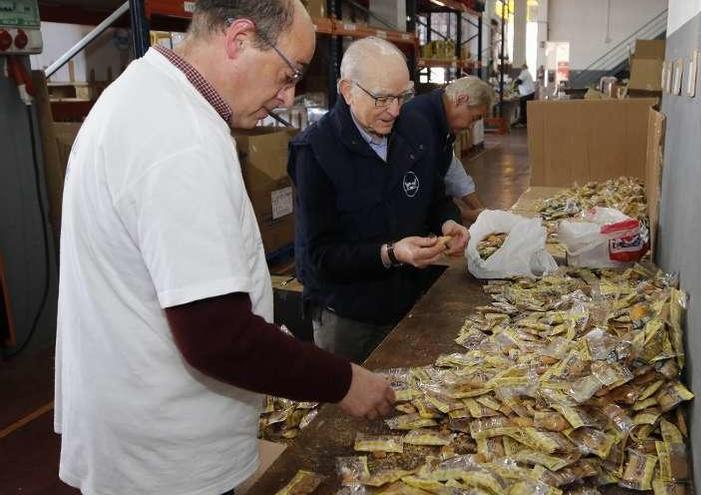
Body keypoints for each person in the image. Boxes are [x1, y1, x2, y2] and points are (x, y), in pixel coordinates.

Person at [54, 2, 395, 494]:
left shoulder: (141, 91)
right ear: (238, 38)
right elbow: (216, 336)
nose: (286, 96)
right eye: (287, 73)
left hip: (134, 425)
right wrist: (343, 381)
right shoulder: (181, 139)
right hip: (166, 460)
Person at [290, 37, 470, 363]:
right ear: (347, 91)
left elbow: (432, 194)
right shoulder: (316, 152)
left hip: (407, 301)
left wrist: (448, 220)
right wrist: (390, 253)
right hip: (347, 316)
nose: (395, 110)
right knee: (348, 408)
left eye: (403, 96)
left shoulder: (412, 131)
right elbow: (319, 256)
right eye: (383, 98)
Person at [402, 76, 495, 224]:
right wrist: (462, 214)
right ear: (461, 99)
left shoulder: (441, 122)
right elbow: (421, 189)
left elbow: (452, 169)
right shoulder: (418, 121)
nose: (470, 127)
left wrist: (481, 212)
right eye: (474, 118)